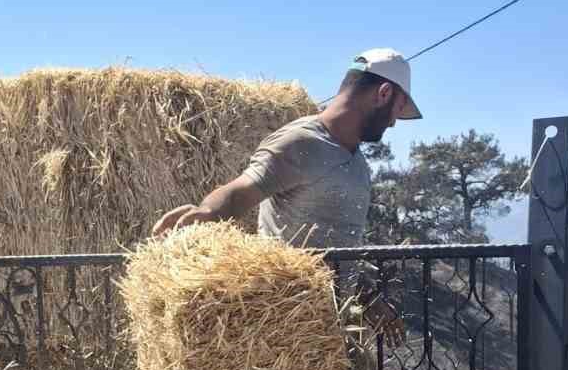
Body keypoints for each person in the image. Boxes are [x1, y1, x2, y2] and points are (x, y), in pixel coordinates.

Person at [152, 48, 422, 248]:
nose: (394, 123)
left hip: (334, 314)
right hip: (292, 313)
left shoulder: (359, 163)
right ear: (383, 93)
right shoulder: (302, 141)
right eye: (397, 109)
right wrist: (206, 213)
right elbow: (240, 191)